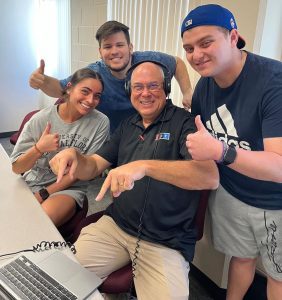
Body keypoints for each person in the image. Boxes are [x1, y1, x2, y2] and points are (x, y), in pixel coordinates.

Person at [49, 61, 219, 299]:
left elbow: (209, 177)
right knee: (55, 282)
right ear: (129, 90)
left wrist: (145, 166)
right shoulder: (128, 125)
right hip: (115, 227)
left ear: (166, 88)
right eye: (138, 87)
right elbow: (95, 164)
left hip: (165, 241)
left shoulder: (184, 123)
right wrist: (76, 157)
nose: (145, 93)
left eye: (153, 86)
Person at [181, 4, 282, 300]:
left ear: (233, 37)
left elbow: (278, 166)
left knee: (278, 274)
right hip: (233, 193)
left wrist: (221, 151)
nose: (196, 54)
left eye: (206, 42)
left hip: (275, 200)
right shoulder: (204, 87)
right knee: (240, 259)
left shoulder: (273, 82)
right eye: (188, 48)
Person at [29, 20, 193, 132]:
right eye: (107, 46)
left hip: (149, 133)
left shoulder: (149, 61)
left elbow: (177, 63)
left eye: (120, 45)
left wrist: (187, 92)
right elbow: (60, 89)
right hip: (113, 138)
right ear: (100, 52)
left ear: (130, 47)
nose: (114, 51)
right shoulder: (94, 73)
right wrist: (43, 81)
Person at [11, 68, 110, 227]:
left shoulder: (100, 123)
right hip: (31, 182)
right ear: (69, 88)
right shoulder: (41, 119)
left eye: (97, 96)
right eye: (85, 91)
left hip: (68, 188)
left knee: (37, 224)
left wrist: (43, 194)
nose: (91, 100)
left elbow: (85, 170)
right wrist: (38, 149)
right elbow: (17, 168)